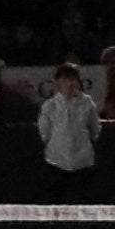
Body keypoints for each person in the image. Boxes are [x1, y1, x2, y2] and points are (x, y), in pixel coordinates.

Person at [37, 62, 104, 195]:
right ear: (57, 83)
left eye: (73, 79)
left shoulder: (87, 103)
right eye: (66, 79)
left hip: (83, 162)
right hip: (56, 162)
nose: (70, 83)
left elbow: (95, 129)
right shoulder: (49, 106)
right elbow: (44, 133)